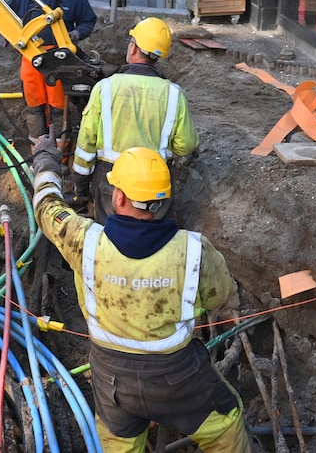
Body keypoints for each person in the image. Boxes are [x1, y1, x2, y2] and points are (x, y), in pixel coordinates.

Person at [30, 143, 251, 453]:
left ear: (118, 197)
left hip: (113, 383)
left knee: (118, 443)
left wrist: (46, 162)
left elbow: (46, 208)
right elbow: (218, 297)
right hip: (179, 378)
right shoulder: (192, 250)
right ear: (162, 202)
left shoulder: (84, 241)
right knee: (227, 423)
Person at [70, 17, 199, 224]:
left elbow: (86, 142)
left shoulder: (106, 88)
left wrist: (80, 181)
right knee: (155, 243)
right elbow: (187, 145)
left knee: (110, 243)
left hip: (111, 180)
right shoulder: (174, 93)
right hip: (156, 183)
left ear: (133, 47)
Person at [6, 0, 96, 144]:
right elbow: (6, 14)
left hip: (59, 59)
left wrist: (77, 34)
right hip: (31, 57)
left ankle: (60, 155)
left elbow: (88, 21)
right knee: (34, 106)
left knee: (58, 107)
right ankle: (38, 152)